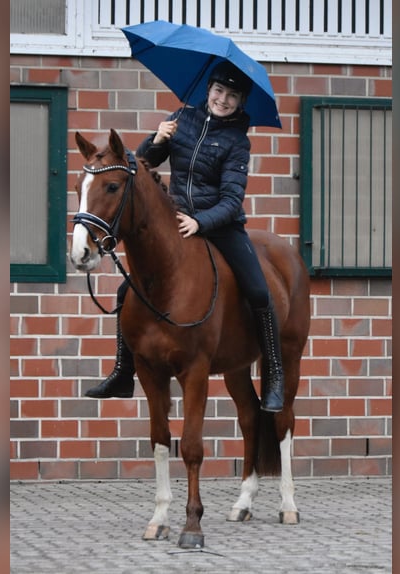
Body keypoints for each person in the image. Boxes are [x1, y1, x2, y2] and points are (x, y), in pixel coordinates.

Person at [85, 61, 284, 412]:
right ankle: (122, 370)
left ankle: (274, 378)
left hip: (219, 226)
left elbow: (231, 200)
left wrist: (201, 223)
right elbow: (139, 169)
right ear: (208, 90)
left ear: (240, 102)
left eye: (232, 96)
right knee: (125, 290)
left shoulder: (238, 141)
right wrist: (156, 139)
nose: (223, 99)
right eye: (219, 91)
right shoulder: (181, 119)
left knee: (258, 289)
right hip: (175, 221)